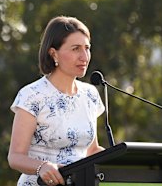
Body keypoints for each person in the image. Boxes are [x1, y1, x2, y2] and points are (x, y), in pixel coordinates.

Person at [8, 16, 105, 186]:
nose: (84, 56)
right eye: (76, 49)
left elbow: (91, 150)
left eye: (87, 48)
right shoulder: (32, 95)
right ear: (53, 53)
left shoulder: (90, 94)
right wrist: (42, 167)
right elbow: (15, 157)